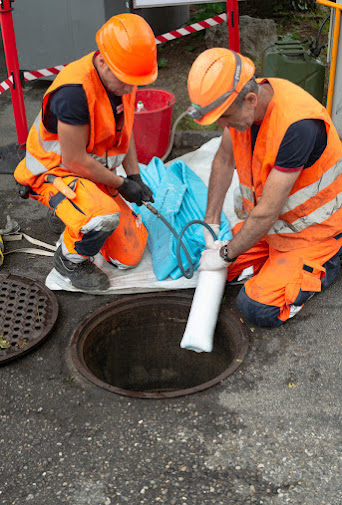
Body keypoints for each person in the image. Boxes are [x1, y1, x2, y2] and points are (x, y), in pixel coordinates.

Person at [187, 48, 342, 327]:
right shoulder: (241, 103)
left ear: (250, 99)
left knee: (255, 308)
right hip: (274, 228)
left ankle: (329, 262)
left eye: (225, 119)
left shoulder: (298, 126)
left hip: (315, 233)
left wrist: (225, 253)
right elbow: (223, 161)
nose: (223, 126)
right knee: (204, 263)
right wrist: (210, 221)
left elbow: (268, 210)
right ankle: (272, 264)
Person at [14, 13, 157, 291]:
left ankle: (71, 216)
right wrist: (122, 184)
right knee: (102, 218)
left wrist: (135, 176)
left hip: (89, 172)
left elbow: (123, 133)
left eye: (134, 81)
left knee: (129, 256)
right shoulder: (74, 93)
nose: (130, 88)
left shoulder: (124, 75)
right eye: (125, 80)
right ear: (102, 60)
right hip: (54, 171)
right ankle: (69, 262)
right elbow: (74, 159)